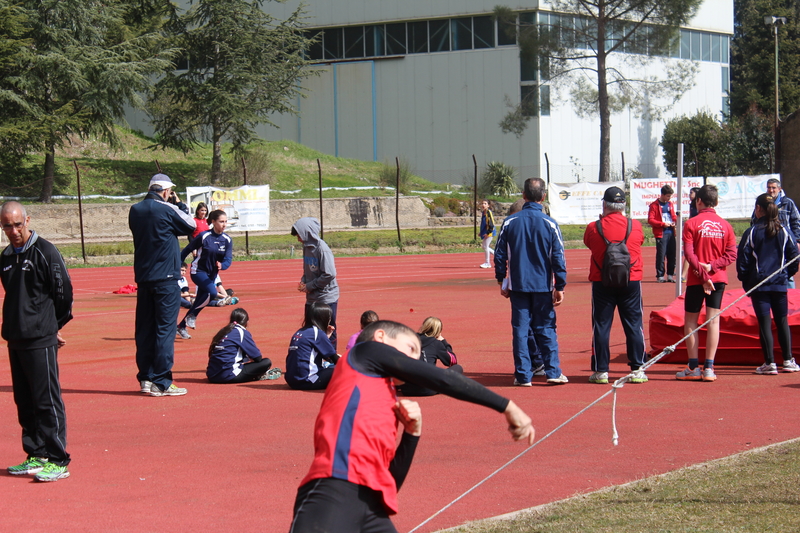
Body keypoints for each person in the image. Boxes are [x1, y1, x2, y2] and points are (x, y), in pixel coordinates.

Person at [288, 320, 534, 533]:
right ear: (381, 338)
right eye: (411, 349)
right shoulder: (363, 353)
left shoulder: (384, 398)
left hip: (372, 507)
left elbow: (390, 484)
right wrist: (507, 406)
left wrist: (412, 434)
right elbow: (444, 379)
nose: (415, 360)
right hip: (333, 489)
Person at [0, 202, 74, 482]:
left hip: (40, 337)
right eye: (7, 225)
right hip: (15, 337)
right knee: (24, 400)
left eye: (18, 224)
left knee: (46, 400)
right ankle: (36, 453)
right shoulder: (5, 256)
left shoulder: (45, 251)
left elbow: (63, 291)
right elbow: (15, 293)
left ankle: (57, 459)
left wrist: (54, 326)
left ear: (27, 220)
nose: (14, 230)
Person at [494, 177, 568, 386]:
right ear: (543, 197)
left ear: (523, 196)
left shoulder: (509, 223)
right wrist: (560, 285)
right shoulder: (550, 224)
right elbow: (558, 257)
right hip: (542, 286)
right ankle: (553, 372)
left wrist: (502, 280)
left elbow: (499, 255)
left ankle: (523, 375)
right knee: (545, 328)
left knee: (520, 329)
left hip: (518, 286)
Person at [129, 174, 196, 396]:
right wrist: (178, 204)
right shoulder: (167, 209)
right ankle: (162, 381)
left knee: (145, 329)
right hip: (166, 278)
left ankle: (146, 378)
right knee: (165, 330)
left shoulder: (135, 210)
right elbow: (190, 224)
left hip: (144, 277)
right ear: (166, 192)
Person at [582, 187, 648, 384]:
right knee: (634, 325)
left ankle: (601, 370)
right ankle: (637, 368)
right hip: (631, 279)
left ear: (604, 205)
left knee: (601, 325)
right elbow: (641, 242)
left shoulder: (594, 227)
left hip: (603, 280)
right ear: (623, 206)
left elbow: (589, 244)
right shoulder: (634, 225)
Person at [678, 184, 737, 382]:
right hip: (717, 279)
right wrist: (712, 268)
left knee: (691, 321)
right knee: (713, 321)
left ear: (699, 201)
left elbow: (688, 253)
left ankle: (694, 366)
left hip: (697, 279)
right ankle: (709, 368)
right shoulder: (726, 226)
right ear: (716, 202)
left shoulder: (691, 223)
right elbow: (731, 254)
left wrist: (703, 274)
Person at [737, 194, 800, 375]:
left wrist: (747, 282)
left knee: (764, 322)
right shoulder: (785, 230)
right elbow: (794, 256)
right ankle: (787, 360)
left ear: (758, 209)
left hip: (760, 286)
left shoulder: (752, 232)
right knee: (782, 321)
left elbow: (743, 261)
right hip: (779, 285)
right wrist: (787, 275)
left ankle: (770, 363)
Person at [177, 209, 233, 339]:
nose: (224, 224)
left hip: (211, 275)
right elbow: (187, 250)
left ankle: (181, 326)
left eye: (226, 222)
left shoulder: (227, 240)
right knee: (212, 293)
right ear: (213, 222)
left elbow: (228, 259)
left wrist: (222, 265)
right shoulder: (204, 236)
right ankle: (193, 316)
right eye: (221, 221)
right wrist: (178, 264)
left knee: (200, 302)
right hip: (198, 271)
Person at [292, 217, 340, 349]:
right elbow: (308, 268)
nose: (298, 239)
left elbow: (329, 274)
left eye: (299, 235)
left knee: (328, 328)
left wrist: (310, 286)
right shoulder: (306, 247)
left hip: (326, 297)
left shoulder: (322, 249)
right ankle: (313, 357)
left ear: (307, 233)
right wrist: (304, 281)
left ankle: (330, 360)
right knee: (309, 328)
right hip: (312, 297)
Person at [206, 308, 281, 383]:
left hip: (212, 375)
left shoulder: (223, 331)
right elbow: (258, 358)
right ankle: (257, 375)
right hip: (228, 376)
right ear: (246, 322)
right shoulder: (241, 332)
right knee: (266, 362)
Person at [751, 178, 800, 288]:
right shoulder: (762, 203)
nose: (771, 190)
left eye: (773, 188)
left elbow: (796, 222)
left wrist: (796, 240)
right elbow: (754, 220)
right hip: (766, 242)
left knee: (786, 267)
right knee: (767, 267)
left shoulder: (788, 203)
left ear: (779, 189)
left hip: (784, 241)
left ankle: (789, 292)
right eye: (769, 187)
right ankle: (766, 289)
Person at [397, 316, 464, 396]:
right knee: (458, 368)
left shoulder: (410, 340)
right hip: (428, 389)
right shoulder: (436, 343)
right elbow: (452, 361)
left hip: (407, 389)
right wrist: (444, 342)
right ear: (439, 331)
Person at [285, 302, 340, 390]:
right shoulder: (317, 333)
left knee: (328, 366)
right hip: (307, 381)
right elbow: (335, 359)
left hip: (291, 381)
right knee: (342, 369)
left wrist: (325, 337)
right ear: (324, 318)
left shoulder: (300, 331)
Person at [648, 184, 677, 283]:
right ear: (662, 195)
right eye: (668, 196)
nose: (669, 198)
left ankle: (670, 274)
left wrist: (674, 221)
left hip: (671, 232)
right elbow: (651, 220)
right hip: (661, 233)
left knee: (672, 254)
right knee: (661, 254)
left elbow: (673, 216)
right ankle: (660, 275)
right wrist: (662, 224)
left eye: (670, 196)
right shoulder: (654, 205)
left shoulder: (670, 204)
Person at [479, 199, 496, 268]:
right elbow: (484, 224)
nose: (483, 205)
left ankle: (487, 263)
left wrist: (488, 232)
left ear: (488, 205)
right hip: (486, 232)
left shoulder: (489, 213)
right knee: (484, 246)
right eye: (482, 203)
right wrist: (481, 232)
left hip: (490, 232)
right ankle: (497, 255)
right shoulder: (484, 212)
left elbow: (491, 224)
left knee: (486, 246)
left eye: (485, 203)